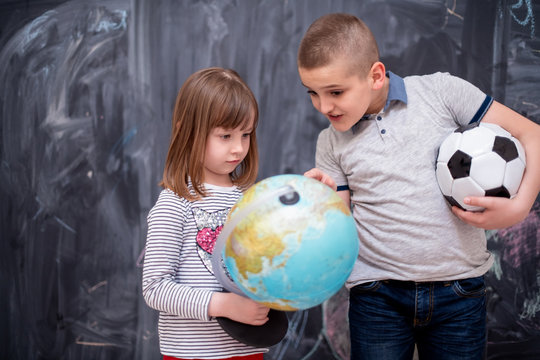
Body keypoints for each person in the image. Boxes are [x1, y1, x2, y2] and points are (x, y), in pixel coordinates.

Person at [297, 13, 540, 360]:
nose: (324, 106)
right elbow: (339, 233)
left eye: (335, 92)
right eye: (313, 94)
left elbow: (533, 135)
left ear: (376, 76)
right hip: (376, 297)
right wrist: (320, 203)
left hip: (459, 292)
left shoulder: (441, 92)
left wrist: (518, 208)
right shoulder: (330, 142)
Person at [142, 67, 269, 360]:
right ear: (188, 132)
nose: (238, 148)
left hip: (249, 350)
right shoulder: (174, 205)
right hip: (193, 354)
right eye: (225, 135)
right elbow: (155, 288)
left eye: (246, 134)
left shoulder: (252, 201)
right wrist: (224, 306)